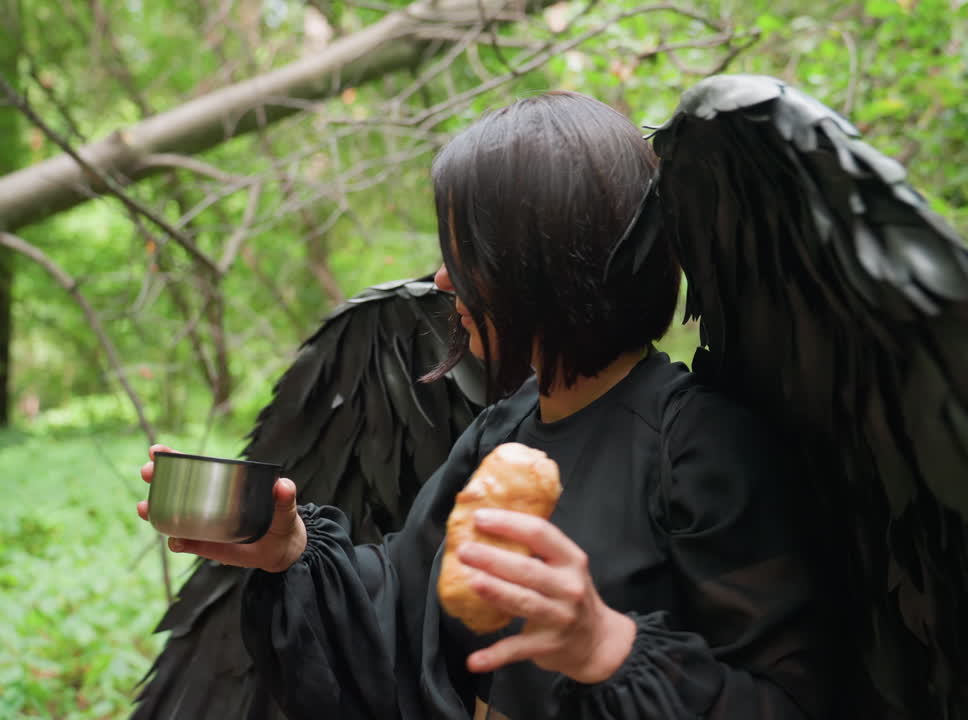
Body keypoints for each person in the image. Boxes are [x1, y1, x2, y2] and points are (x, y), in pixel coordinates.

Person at [136, 91, 834, 719]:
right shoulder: (503, 433)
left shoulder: (703, 445)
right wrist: (289, 551)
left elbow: (790, 699)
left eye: (467, 253)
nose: (442, 278)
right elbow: (407, 611)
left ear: (545, 263)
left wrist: (607, 646)